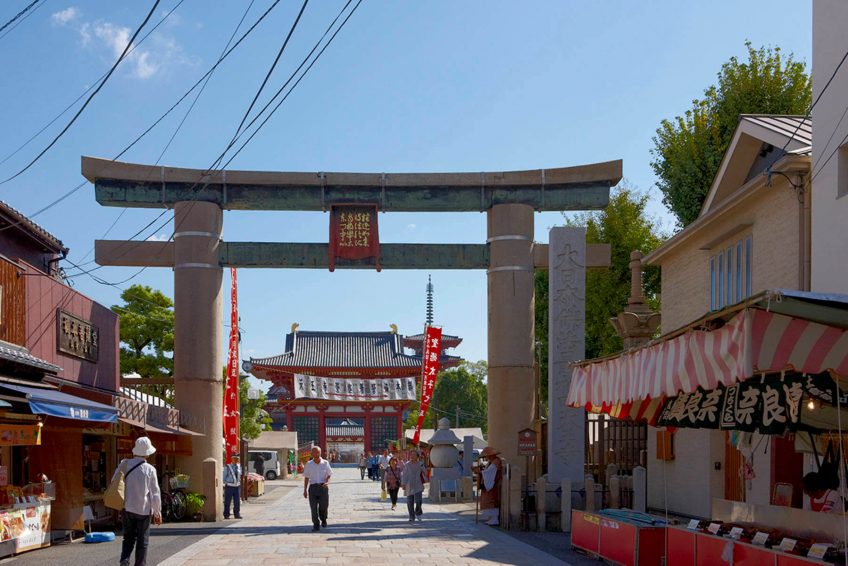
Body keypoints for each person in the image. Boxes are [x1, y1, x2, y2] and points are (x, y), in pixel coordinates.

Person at [113, 436, 161, 566]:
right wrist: (157, 513)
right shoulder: (150, 469)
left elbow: (114, 481)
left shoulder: (124, 464)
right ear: (147, 453)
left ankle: (124, 560)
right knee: (142, 541)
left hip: (127, 507)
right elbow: (155, 493)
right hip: (144, 510)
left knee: (128, 538)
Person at [303, 446, 332, 531]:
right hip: (313, 488)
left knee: (323, 507)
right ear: (311, 454)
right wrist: (305, 490)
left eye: (317, 452)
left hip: (323, 487)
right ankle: (316, 524)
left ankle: (323, 519)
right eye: (314, 452)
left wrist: (327, 482)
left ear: (320, 453)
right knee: (313, 508)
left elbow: (329, 474)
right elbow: (306, 477)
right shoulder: (309, 464)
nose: (316, 454)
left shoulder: (325, 463)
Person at [478, 446, 503, 526]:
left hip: (493, 484)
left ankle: (494, 519)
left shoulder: (496, 461)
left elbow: (489, 472)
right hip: (490, 484)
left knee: (492, 500)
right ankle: (490, 518)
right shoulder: (491, 462)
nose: (486, 457)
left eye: (487, 455)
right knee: (487, 499)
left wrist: (481, 472)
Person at [401, 450, 426, 522]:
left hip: (418, 484)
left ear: (417, 457)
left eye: (414, 455)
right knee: (410, 502)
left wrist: (423, 470)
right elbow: (404, 474)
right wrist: (403, 483)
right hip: (409, 485)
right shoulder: (407, 464)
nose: (412, 456)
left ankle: (418, 513)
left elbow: (425, 472)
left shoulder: (420, 464)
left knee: (419, 501)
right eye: (411, 455)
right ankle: (411, 516)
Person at [223, 454, 242, 519]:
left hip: (237, 486)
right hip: (229, 486)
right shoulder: (227, 467)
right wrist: (225, 484)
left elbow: (240, 476)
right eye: (235, 459)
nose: (236, 460)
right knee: (227, 501)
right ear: (232, 459)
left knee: (237, 501)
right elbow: (224, 477)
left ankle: (237, 514)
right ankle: (226, 514)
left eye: (237, 459)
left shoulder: (239, 467)